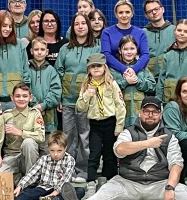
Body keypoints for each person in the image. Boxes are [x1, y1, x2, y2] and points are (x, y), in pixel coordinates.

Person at [64, 96, 187, 200]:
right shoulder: (128, 132)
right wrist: (147, 143)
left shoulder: (169, 136)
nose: (150, 115)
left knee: (182, 191)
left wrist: (170, 188)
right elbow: (119, 149)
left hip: (159, 184)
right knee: (107, 190)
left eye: (155, 112)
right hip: (128, 182)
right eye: (147, 111)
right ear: (140, 112)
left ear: (160, 114)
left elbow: (176, 164)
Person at [57, 12, 97, 180]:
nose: (80, 26)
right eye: (77, 24)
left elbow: (99, 73)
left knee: (85, 137)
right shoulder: (65, 49)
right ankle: (68, 170)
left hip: (87, 103)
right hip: (67, 102)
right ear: (72, 28)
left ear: (88, 26)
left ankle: (83, 171)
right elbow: (58, 72)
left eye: (83, 23)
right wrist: (59, 97)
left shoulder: (97, 47)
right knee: (68, 137)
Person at [76, 52, 126, 189]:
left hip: (110, 123)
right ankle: (91, 181)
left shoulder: (112, 84)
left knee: (109, 154)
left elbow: (120, 105)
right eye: (92, 66)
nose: (96, 69)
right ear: (88, 69)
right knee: (94, 153)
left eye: (99, 66)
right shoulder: (86, 85)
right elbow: (80, 107)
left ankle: (109, 181)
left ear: (104, 67)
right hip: (95, 124)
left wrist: (119, 126)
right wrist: (87, 95)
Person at [14, 132, 81, 200]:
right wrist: (20, 186)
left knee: (80, 191)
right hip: (43, 188)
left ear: (65, 149)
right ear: (49, 148)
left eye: (59, 151)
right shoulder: (44, 159)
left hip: (60, 190)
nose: (55, 154)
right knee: (18, 199)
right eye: (52, 151)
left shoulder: (69, 160)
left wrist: (54, 194)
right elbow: (32, 174)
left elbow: (65, 179)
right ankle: (47, 199)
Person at [0, 82, 46, 182]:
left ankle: (30, 181)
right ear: (12, 97)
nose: (21, 99)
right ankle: (20, 181)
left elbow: (41, 137)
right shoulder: (6, 115)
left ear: (31, 98)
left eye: (25, 96)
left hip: (28, 157)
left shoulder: (35, 114)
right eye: (18, 96)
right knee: (0, 177)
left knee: (28, 142)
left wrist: (20, 133)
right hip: (11, 156)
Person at [111, 35, 157, 127]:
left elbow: (152, 86)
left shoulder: (143, 69)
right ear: (120, 51)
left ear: (137, 50)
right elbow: (109, 89)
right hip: (120, 116)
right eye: (125, 49)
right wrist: (126, 82)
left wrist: (138, 81)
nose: (129, 52)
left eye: (132, 48)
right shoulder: (113, 70)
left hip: (140, 115)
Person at [162, 77, 187, 182]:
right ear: (179, 93)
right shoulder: (172, 107)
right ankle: (179, 180)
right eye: (184, 92)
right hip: (170, 146)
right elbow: (174, 134)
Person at [0, 10, 28, 104]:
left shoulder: (19, 45)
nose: (7, 29)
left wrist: (23, 94)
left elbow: (26, 71)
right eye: (4, 25)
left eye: (10, 26)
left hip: (16, 101)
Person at [158, 18, 187, 102]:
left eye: (186, 31)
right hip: (169, 98)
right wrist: (158, 100)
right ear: (174, 31)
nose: (182, 33)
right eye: (179, 30)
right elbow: (161, 79)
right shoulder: (168, 53)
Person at [100, 0, 151, 73]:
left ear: (132, 13)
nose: (124, 15)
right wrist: (124, 70)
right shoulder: (107, 32)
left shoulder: (141, 33)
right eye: (120, 12)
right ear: (116, 15)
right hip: (113, 74)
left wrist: (134, 70)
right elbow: (106, 55)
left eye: (127, 12)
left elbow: (145, 55)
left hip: (136, 73)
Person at [24, 36, 61, 134]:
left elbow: (56, 93)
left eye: (42, 49)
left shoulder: (52, 71)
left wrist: (43, 106)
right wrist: (35, 105)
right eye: (36, 49)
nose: (39, 52)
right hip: (30, 114)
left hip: (49, 118)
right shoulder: (26, 70)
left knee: (47, 146)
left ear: (47, 52)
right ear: (31, 51)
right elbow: (25, 89)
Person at [142, 0, 174, 78]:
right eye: (149, 11)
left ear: (163, 9)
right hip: (149, 79)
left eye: (156, 9)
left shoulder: (175, 31)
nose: (154, 12)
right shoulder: (142, 34)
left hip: (170, 78)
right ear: (146, 15)